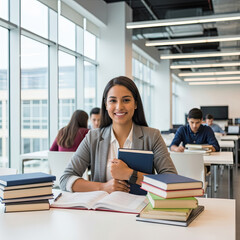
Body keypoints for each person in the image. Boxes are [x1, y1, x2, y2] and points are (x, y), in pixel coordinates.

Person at [60, 76, 177, 194]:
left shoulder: (152, 136)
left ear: (135, 104)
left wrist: (130, 174)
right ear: (106, 105)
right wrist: (103, 187)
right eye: (113, 100)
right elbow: (65, 179)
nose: (119, 107)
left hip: (140, 209)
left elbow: (171, 180)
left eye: (126, 100)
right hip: (103, 210)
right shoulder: (93, 137)